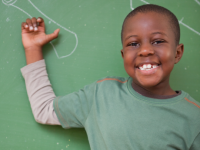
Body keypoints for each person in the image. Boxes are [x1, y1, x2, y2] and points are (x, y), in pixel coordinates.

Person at [20, 4, 200, 150]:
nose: (145, 50)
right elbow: (44, 109)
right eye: (133, 43)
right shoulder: (101, 95)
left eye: (158, 41)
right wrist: (32, 49)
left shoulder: (194, 118)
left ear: (177, 53)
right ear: (123, 55)